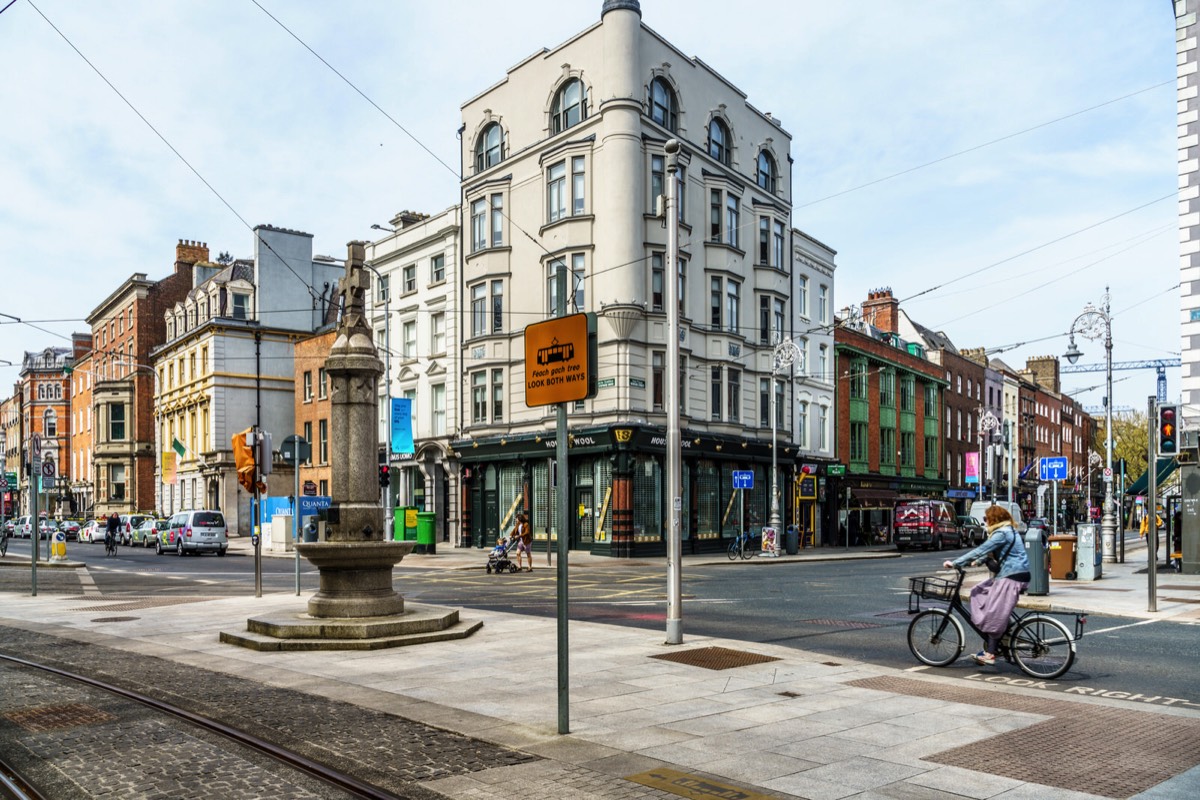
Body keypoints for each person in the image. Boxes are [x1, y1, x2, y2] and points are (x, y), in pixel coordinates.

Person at [943, 505, 1030, 667]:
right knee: (979, 591)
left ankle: (990, 653)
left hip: (1011, 577)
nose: (985, 521)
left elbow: (981, 549)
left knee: (993, 613)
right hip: (1013, 574)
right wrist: (980, 561)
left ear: (994, 519)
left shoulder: (1001, 534)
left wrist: (955, 563)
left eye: (986, 518)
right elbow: (992, 552)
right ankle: (1005, 628)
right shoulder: (1008, 531)